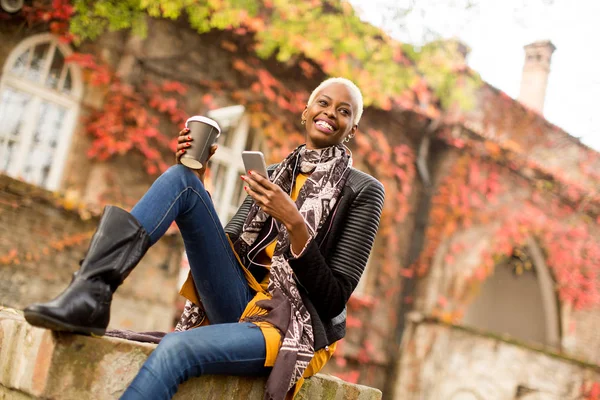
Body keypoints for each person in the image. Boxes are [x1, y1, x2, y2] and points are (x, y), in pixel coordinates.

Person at [23, 77, 385, 400]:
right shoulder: (274, 174)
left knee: (178, 348)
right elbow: (225, 250)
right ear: (305, 112)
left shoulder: (364, 190)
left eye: (344, 110)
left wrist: (294, 222)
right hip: (240, 301)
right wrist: (200, 177)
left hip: (293, 326)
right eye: (323, 103)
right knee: (181, 179)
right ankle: (92, 292)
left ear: (352, 127)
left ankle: (92, 294)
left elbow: (334, 297)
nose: (330, 113)